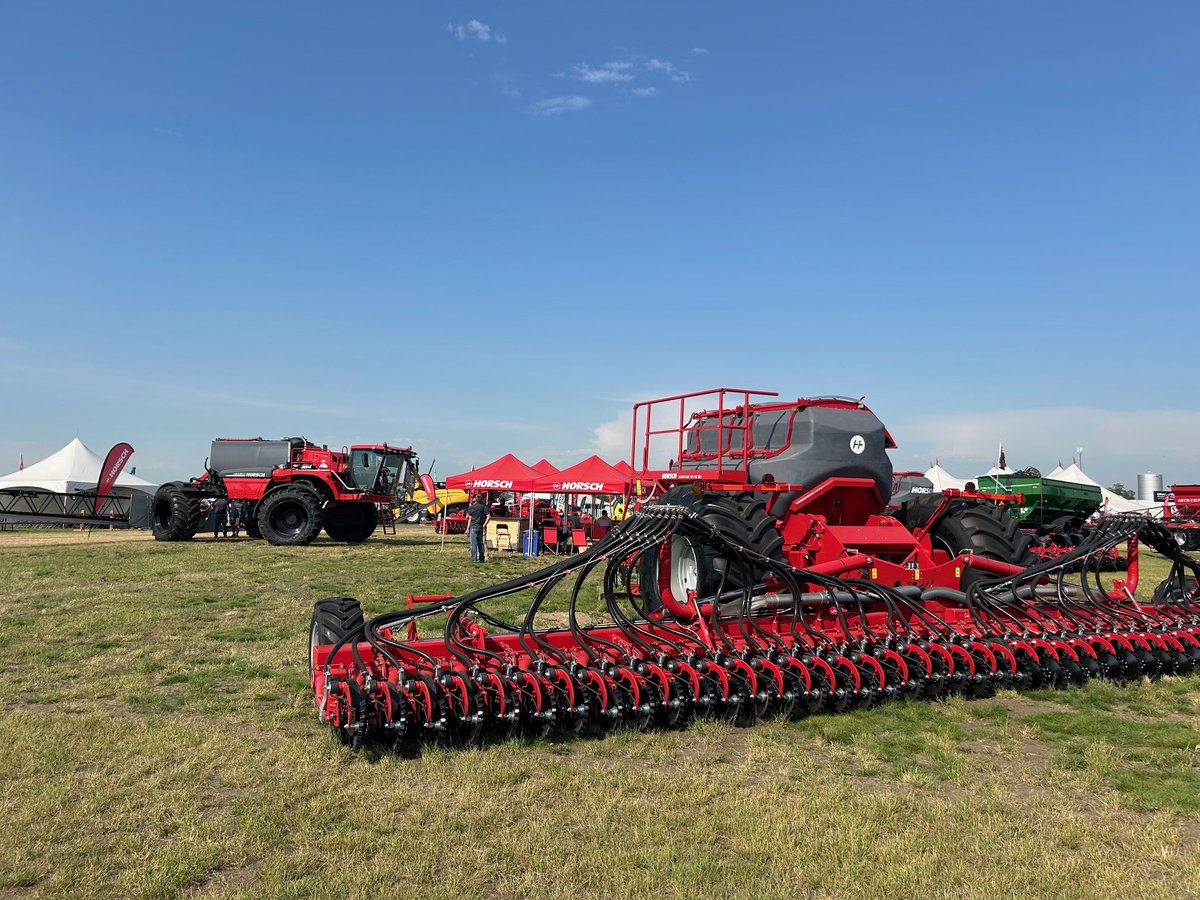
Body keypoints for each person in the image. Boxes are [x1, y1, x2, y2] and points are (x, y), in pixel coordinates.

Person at [466, 493, 490, 562]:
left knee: (473, 544)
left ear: (475, 500)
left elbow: (467, 516)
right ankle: (481, 558)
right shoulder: (484, 507)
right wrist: (484, 524)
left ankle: (474, 559)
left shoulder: (472, 507)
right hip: (480, 527)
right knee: (480, 543)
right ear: (481, 500)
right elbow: (488, 516)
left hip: (473, 526)